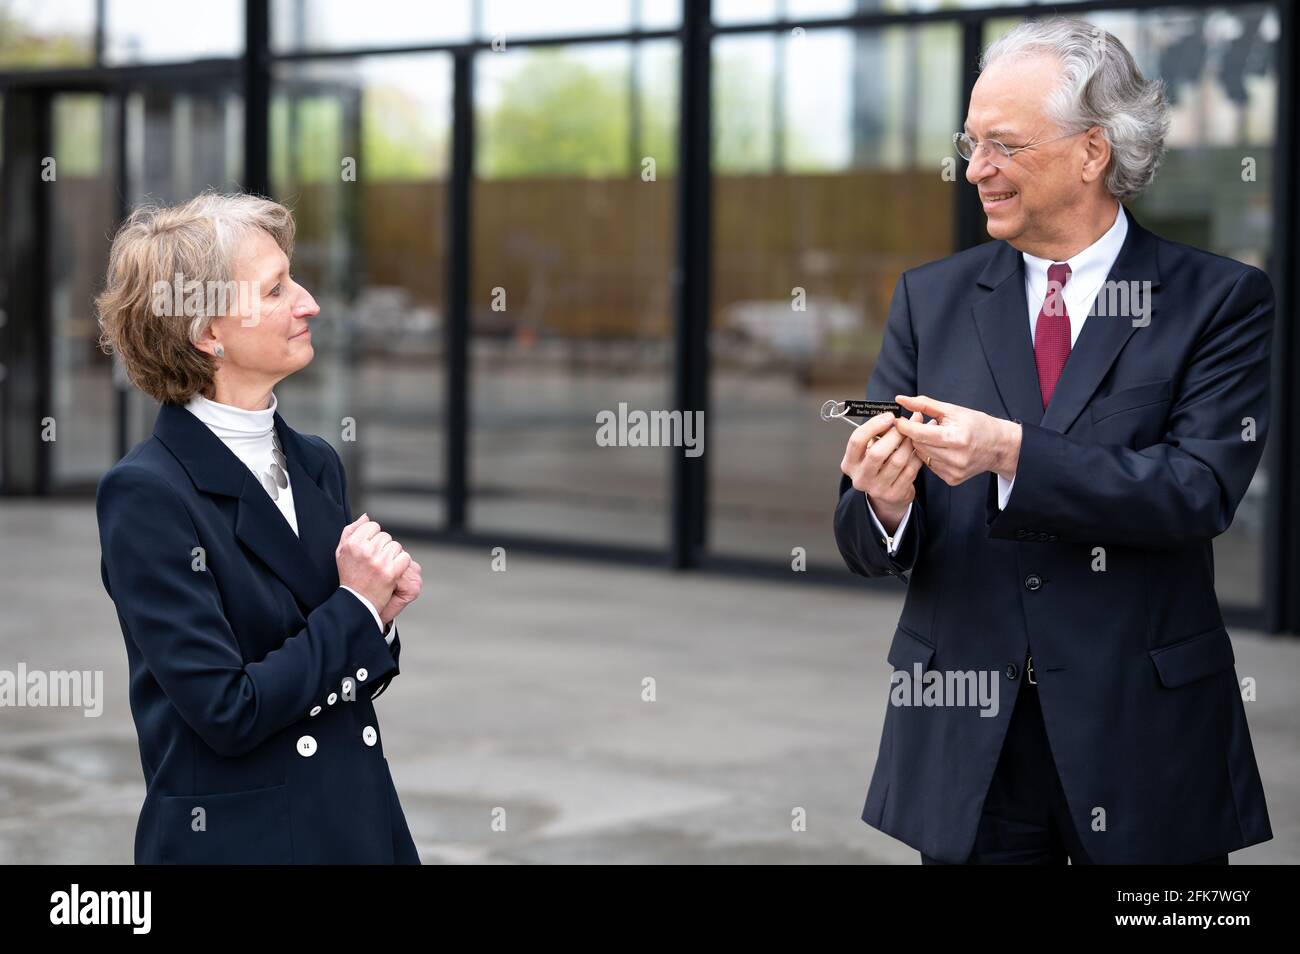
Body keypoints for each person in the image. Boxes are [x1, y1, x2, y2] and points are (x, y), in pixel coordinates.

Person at [835, 18, 1272, 864]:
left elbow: (1195, 492)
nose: (975, 170)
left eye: (1003, 144)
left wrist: (1009, 453)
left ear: (1093, 152)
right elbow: (865, 542)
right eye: (970, 143)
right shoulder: (931, 299)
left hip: (1141, 731)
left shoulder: (1215, 301)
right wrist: (883, 505)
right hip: (969, 740)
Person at [94, 192, 423, 864]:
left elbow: (344, 672)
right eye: (275, 290)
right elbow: (227, 709)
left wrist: (379, 615)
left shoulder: (315, 463)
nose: (309, 303)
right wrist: (356, 607)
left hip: (357, 823)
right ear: (208, 333)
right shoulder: (148, 495)